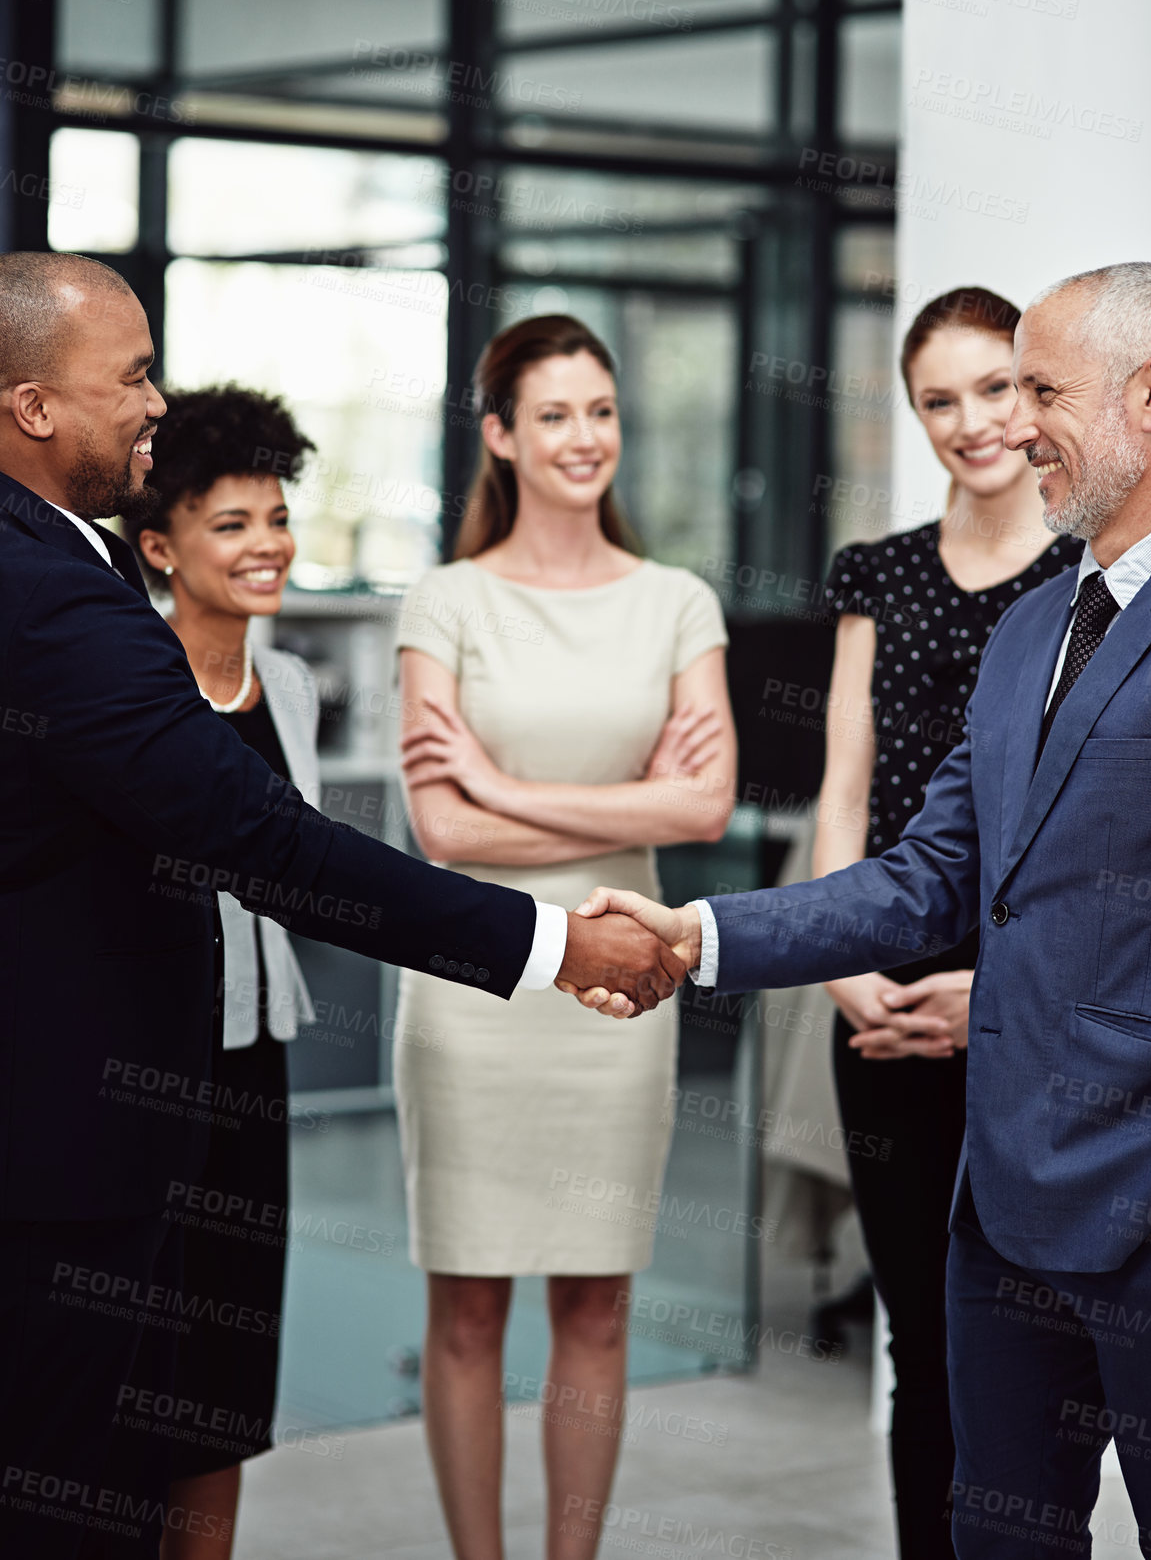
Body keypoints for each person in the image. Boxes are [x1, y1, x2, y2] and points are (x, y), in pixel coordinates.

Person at [0, 255, 678, 1560]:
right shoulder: (57, 598)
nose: (157, 400)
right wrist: (541, 938)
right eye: (132, 373)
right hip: (60, 1146)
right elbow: (257, 834)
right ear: (35, 408)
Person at [581, 261, 1151, 1560]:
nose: (1010, 425)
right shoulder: (1029, 632)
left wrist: (989, 998)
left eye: (1039, 389)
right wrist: (698, 935)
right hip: (997, 1204)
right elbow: (924, 874)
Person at [394, 313, 737, 1560]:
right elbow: (441, 832)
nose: (584, 437)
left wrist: (507, 784)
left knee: (599, 1305)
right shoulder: (448, 600)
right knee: (470, 1311)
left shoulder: (675, 602)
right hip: (478, 997)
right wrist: (597, 801)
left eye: (601, 410)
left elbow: (703, 806)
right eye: (553, 414)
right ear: (499, 435)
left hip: (622, 1000)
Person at [814, 288, 1080, 1558]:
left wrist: (998, 991)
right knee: (922, 1340)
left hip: (1033, 1007)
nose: (973, 422)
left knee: (1032, 1341)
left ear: (1036, 396)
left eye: (997, 388)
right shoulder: (881, 573)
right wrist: (842, 967)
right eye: (939, 399)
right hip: (881, 996)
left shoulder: (1090, 577)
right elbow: (844, 794)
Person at [122, 386, 320, 1558]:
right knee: (130, 1375)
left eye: (277, 517)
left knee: (225, 1391)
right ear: (160, 546)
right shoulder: (130, 688)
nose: (266, 547)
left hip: (255, 1065)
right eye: (231, 524)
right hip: (143, 1064)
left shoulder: (286, 687)